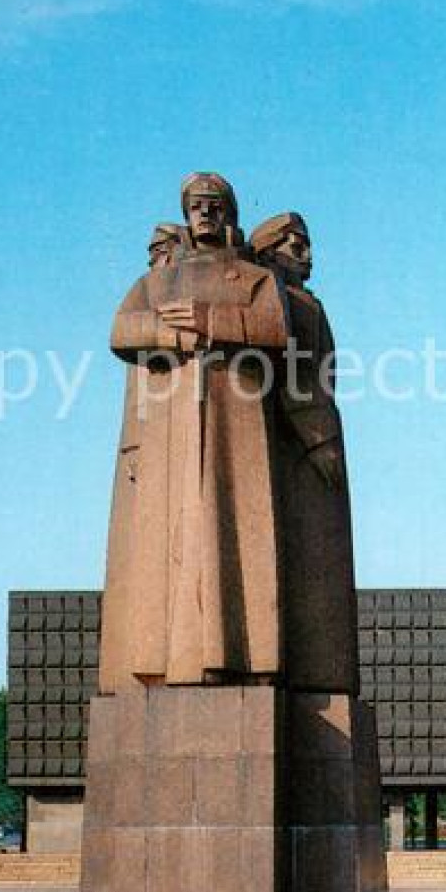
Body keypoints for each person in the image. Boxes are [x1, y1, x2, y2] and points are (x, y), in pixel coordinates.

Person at [98, 173, 294, 690]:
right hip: (172, 425)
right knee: (176, 545)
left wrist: (210, 320)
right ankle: (172, 660)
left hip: (239, 422)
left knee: (235, 538)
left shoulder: (253, 278)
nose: (204, 214)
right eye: (195, 206)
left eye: (213, 205)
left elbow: (277, 329)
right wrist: (169, 333)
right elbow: (122, 331)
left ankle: (246, 661)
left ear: (229, 212)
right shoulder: (156, 282)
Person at [249, 211, 359, 690]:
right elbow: (297, 375)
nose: (307, 255)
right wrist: (321, 438)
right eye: (296, 245)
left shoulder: (302, 302)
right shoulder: (288, 304)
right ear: (271, 251)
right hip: (300, 449)